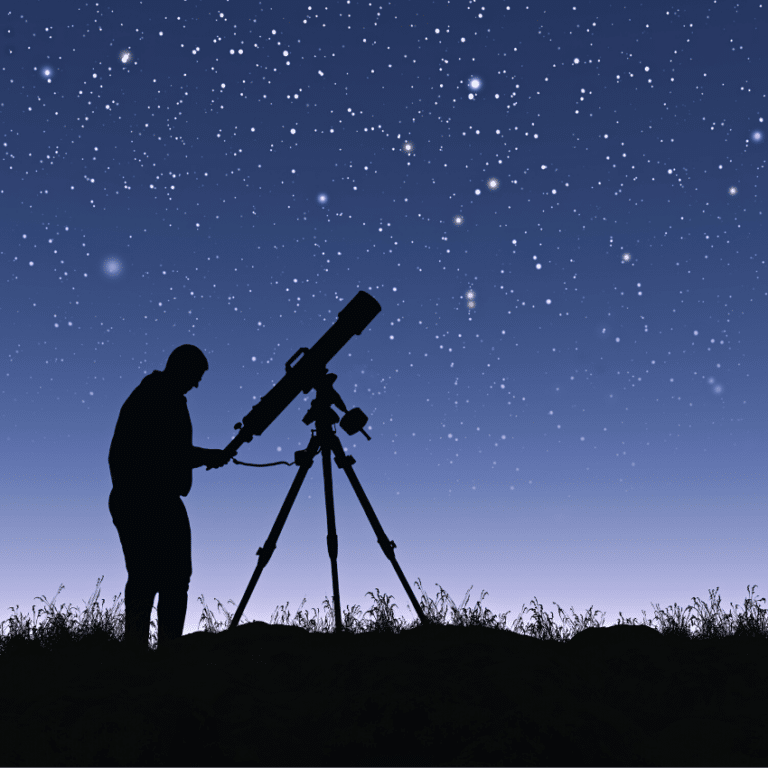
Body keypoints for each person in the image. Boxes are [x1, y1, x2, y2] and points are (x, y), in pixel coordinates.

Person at [108, 344, 230, 652]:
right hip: (147, 498)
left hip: (145, 497)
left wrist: (201, 457)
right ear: (182, 368)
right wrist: (205, 456)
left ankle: (149, 650)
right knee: (158, 577)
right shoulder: (158, 397)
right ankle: (163, 652)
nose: (197, 384)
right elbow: (165, 452)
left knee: (159, 576)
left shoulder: (156, 394)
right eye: (196, 375)